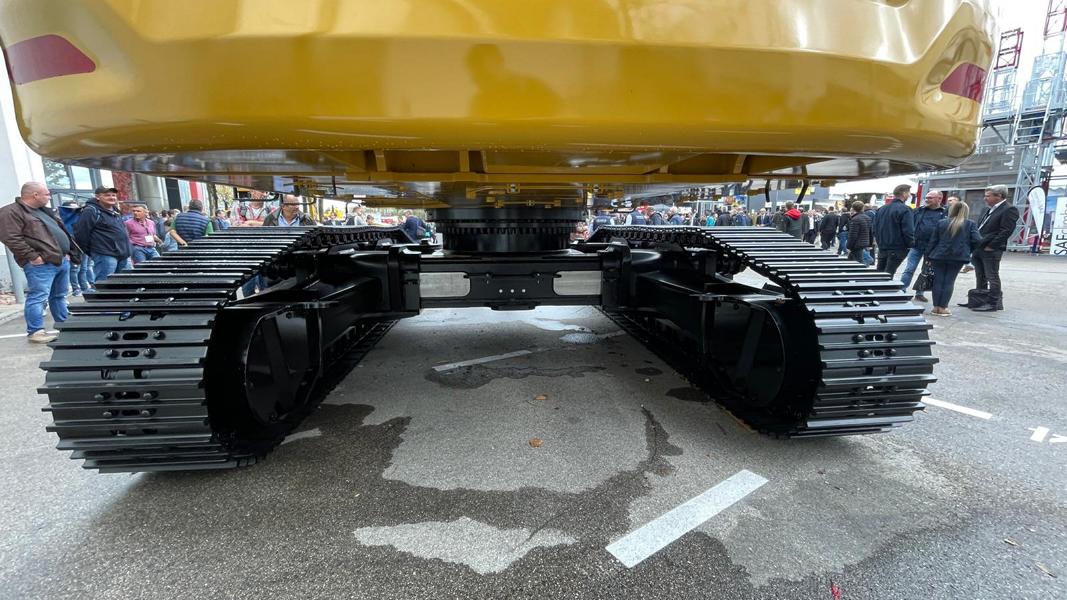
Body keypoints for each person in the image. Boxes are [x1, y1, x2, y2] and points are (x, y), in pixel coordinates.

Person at [0, 182, 77, 343]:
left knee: (59, 296)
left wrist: (67, 252)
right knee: (38, 296)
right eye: (47, 194)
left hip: (60, 260)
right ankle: (35, 331)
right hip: (41, 263)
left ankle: (64, 325)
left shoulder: (43, 211)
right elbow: (11, 238)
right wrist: (33, 257)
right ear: (35, 195)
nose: (49, 197)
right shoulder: (11, 211)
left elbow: (57, 232)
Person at [965, 185, 1020, 311]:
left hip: (991, 249)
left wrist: (992, 245)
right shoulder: (987, 209)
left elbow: (1006, 231)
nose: (985, 198)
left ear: (999, 196)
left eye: (988, 196)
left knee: (992, 276)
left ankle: (993, 303)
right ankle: (979, 300)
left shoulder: (1009, 209)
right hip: (979, 247)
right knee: (980, 275)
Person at [926, 200, 981, 317]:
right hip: (958, 257)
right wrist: (968, 250)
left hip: (938, 256)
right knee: (949, 281)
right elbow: (977, 240)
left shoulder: (942, 223)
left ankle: (935, 307)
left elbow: (933, 241)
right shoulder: (970, 224)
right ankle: (943, 307)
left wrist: (928, 257)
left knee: (938, 281)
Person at [74, 185, 132, 282]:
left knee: (125, 283)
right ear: (97, 197)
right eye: (107, 195)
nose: (112, 197)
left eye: (113, 195)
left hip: (123, 254)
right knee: (104, 284)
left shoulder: (115, 210)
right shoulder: (91, 211)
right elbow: (81, 234)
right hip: (105, 255)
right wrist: (92, 251)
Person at [899, 190, 946, 301]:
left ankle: (920, 292)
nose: (927, 200)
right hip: (916, 245)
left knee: (926, 271)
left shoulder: (945, 213)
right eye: (926, 197)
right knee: (909, 269)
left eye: (930, 198)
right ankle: (901, 291)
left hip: (933, 248)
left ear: (939, 199)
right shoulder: (918, 211)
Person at [871, 184, 916, 276]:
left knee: (880, 273)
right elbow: (908, 230)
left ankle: (877, 285)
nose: (909, 196)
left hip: (883, 246)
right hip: (897, 247)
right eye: (909, 193)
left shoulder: (882, 209)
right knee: (888, 274)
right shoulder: (905, 209)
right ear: (904, 193)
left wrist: (879, 242)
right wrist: (910, 244)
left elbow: (874, 228)